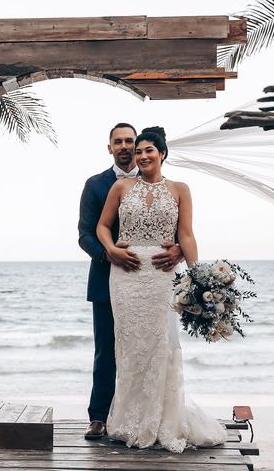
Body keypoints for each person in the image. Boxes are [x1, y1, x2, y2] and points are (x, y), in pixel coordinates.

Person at [96, 126, 227, 452]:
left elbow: (186, 234)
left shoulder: (181, 189)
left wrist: (198, 277)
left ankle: (161, 420)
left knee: (160, 345)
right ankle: (129, 420)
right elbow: (101, 225)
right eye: (138, 151)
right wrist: (111, 249)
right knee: (128, 348)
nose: (141, 156)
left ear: (163, 153)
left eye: (148, 150)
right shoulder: (120, 187)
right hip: (125, 277)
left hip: (162, 277)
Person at [78, 123, 184, 439]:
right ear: (109, 148)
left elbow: (175, 228)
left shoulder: (157, 183)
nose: (126, 147)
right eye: (118, 142)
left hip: (155, 279)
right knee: (107, 350)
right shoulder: (96, 185)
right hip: (109, 281)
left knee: (152, 346)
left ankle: (145, 415)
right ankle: (99, 416)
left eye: (130, 141)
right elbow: (86, 233)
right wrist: (109, 254)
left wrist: (178, 251)